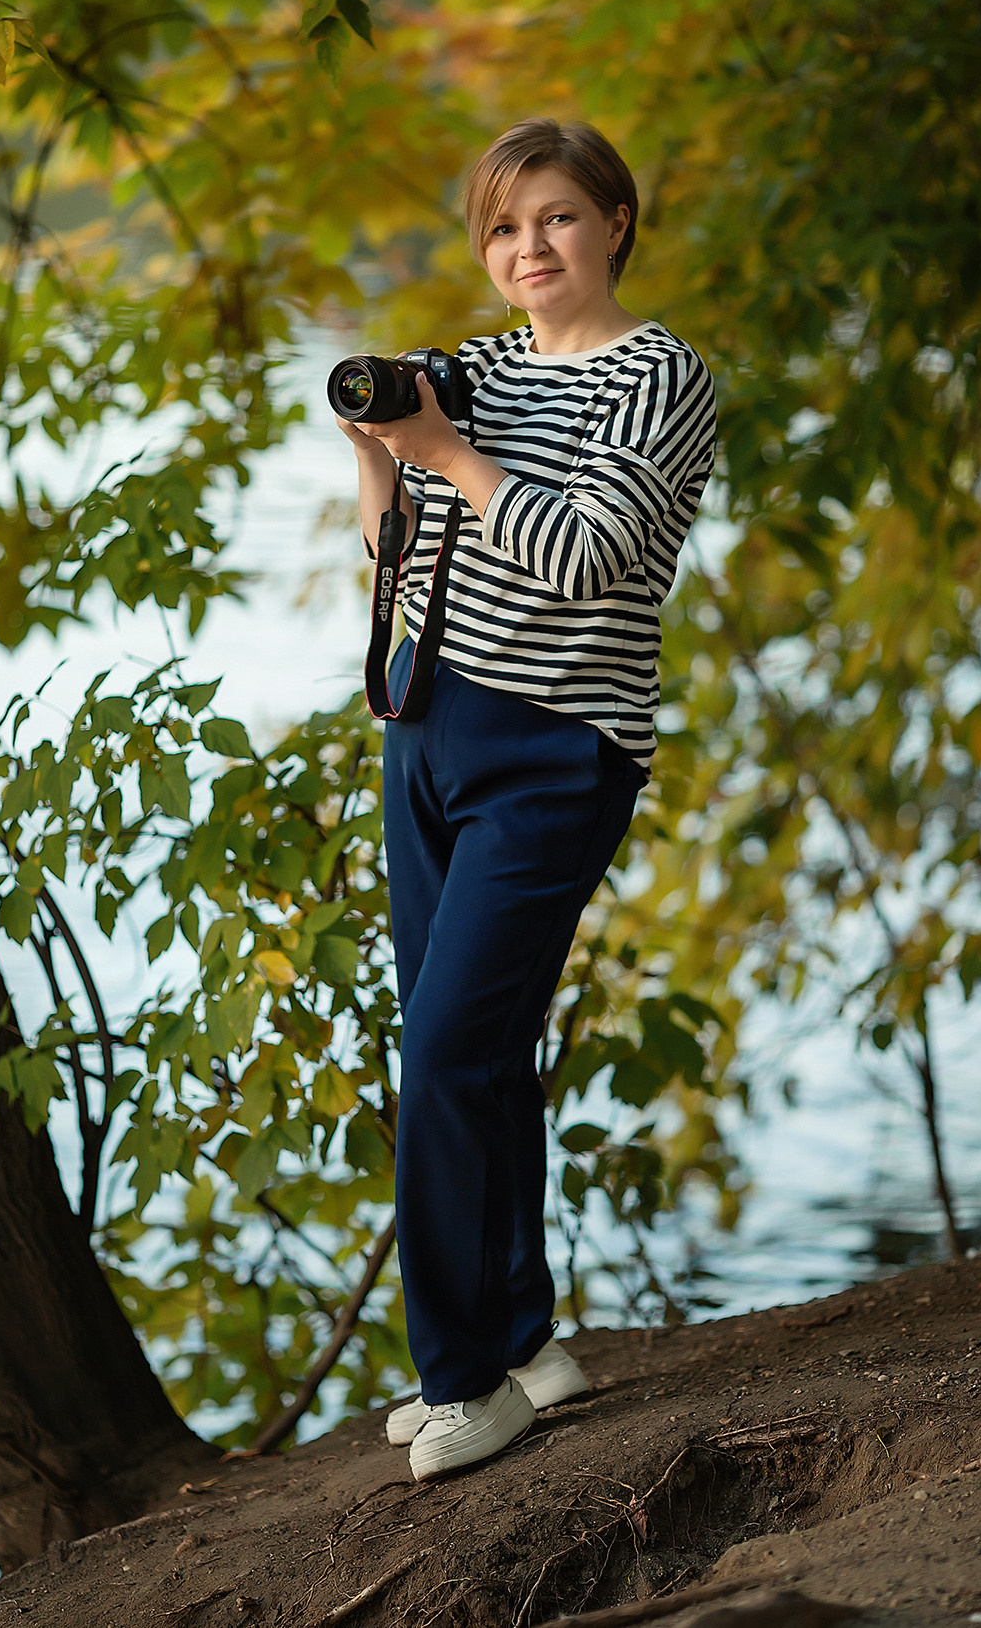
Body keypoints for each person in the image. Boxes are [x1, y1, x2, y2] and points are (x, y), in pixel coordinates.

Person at [335, 118, 716, 1481]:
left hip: (557, 747)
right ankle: (526, 1340)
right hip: (427, 729)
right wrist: (385, 447)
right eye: (503, 229)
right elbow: (397, 550)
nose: (528, 249)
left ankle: (464, 1384)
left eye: (555, 218)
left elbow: (585, 554)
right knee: (472, 1047)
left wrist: (444, 448)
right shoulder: (476, 371)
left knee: (442, 1051)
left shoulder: (660, 376)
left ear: (614, 220)